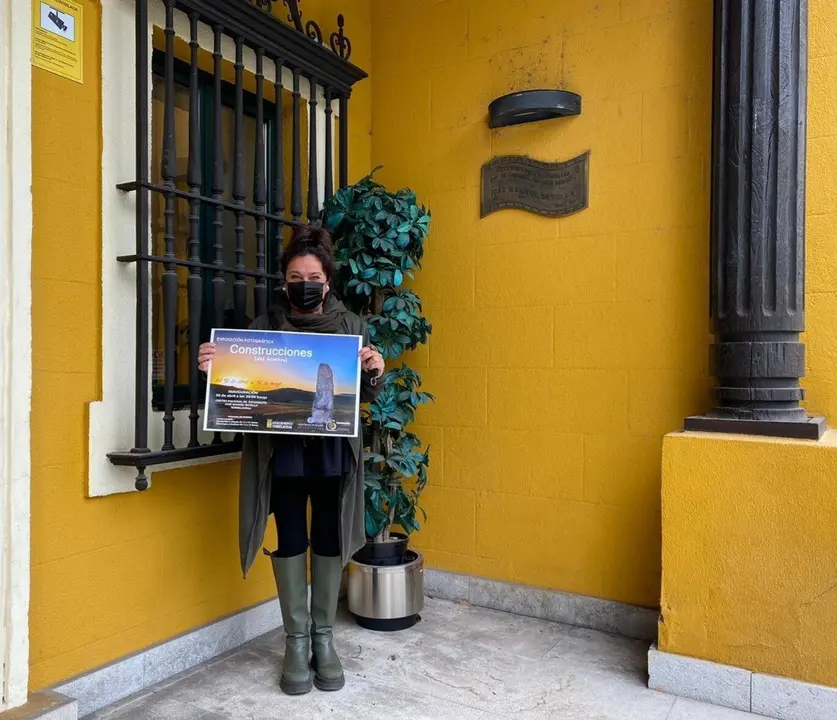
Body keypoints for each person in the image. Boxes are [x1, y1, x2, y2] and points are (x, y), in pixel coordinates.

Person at [197, 226, 384, 696]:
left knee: (326, 533)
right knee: (291, 538)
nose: (305, 282)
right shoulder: (260, 331)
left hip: (329, 449)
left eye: (314, 275)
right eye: (296, 275)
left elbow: (366, 390)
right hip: (281, 453)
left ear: (327, 281)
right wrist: (214, 370)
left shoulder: (351, 328)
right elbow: (236, 393)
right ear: (285, 281)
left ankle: (325, 639)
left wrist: (376, 371)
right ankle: (296, 642)